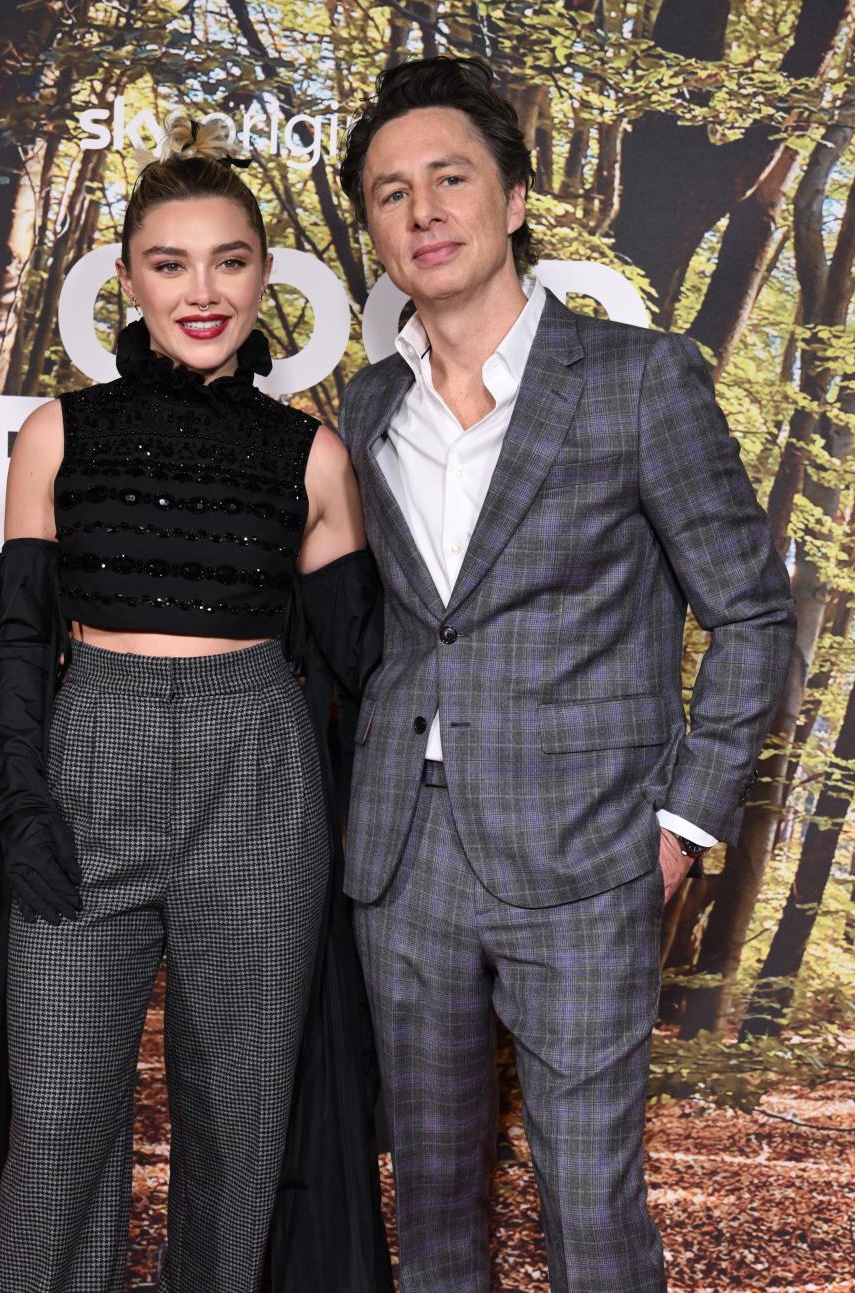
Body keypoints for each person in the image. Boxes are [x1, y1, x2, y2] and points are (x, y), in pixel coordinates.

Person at [336, 56, 795, 1293]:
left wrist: (682, 824)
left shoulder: (641, 382)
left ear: (516, 198)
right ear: (374, 231)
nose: (423, 210)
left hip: (590, 855)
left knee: (589, 1200)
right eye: (391, 192)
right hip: (401, 859)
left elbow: (752, 617)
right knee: (432, 1197)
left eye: (451, 178)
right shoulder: (364, 408)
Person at [0, 113, 388, 1292]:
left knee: (239, 1131)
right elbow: (16, 633)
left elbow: (376, 666)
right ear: (129, 279)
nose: (203, 292)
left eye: (231, 260)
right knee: (56, 1131)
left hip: (258, 772)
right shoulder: (57, 431)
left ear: (265, 274)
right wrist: (24, 796)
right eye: (171, 262)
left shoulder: (314, 457)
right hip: (87, 756)